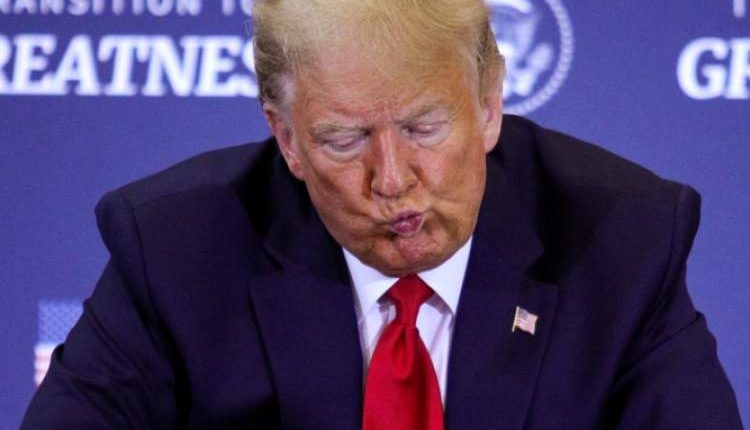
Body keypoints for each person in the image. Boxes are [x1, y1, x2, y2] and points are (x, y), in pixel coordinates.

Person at [23, 0, 743, 429]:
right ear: (286, 138)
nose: (392, 178)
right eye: (345, 140)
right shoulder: (176, 252)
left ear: (489, 106)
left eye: (424, 128)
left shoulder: (622, 242)